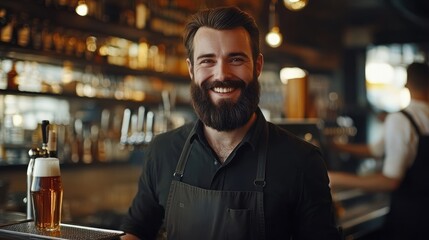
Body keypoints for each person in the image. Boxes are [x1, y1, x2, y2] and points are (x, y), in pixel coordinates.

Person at [120, 6, 341, 240]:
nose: (221, 74)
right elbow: (136, 232)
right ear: (191, 70)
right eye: (207, 61)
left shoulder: (302, 161)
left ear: (257, 66)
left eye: (235, 59)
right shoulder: (162, 151)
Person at [329, 62, 429, 240]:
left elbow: (390, 182)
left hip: (412, 221)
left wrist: (335, 178)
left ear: (406, 85)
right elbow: (376, 150)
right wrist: (335, 146)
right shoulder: (412, 119)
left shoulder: (401, 120)